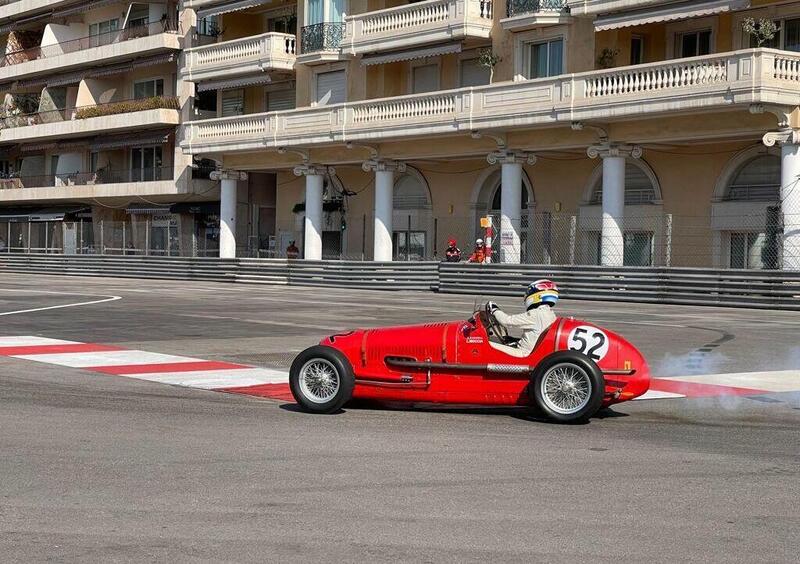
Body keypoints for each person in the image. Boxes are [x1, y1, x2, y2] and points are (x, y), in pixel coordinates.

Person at [487, 279, 559, 357]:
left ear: (538, 295)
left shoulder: (536, 314)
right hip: (533, 351)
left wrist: (494, 309)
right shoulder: (551, 314)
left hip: (523, 353)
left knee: (486, 344)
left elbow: (507, 321)